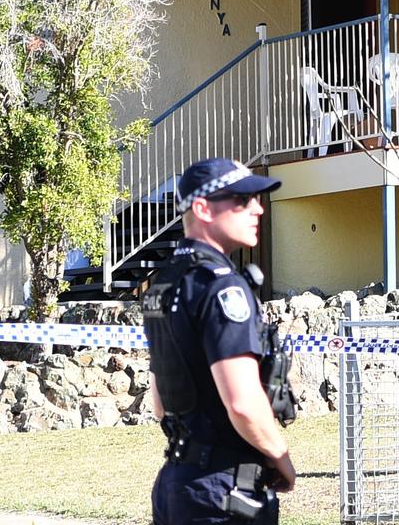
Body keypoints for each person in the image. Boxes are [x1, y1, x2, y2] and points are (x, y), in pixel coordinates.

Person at [144, 157, 298, 525]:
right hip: (226, 490)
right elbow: (243, 403)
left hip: (177, 483)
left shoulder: (163, 284)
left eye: (257, 199)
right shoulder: (222, 288)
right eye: (241, 201)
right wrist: (282, 459)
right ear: (202, 209)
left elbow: (159, 402)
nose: (257, 209)